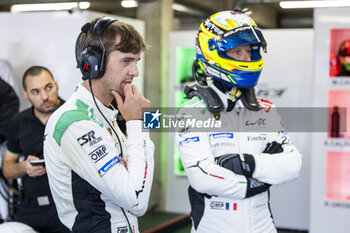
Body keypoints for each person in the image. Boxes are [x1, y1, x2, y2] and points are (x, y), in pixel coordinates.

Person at [176, 10, 302, 233]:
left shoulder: (265, 110)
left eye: (250, 51)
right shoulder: (191, 112)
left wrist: (247, 164)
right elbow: (202, 178)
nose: (247, 58)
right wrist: (261, 178)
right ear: (211, 52)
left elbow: (293, 165)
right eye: (237, 51)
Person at [43, 17, 154, 233]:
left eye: (136, 61)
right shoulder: (75, 122)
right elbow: (138, 200)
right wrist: (137, 124)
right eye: (126, 61)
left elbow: (136, 181)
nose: (135, 72)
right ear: (94, 62)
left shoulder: (105, 112)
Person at [2, 66, 69, 233]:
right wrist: (24, 167)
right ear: (26, 96)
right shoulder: (19, 122)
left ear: (56, 85)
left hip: (69, 206)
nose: (45, 96)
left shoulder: (74, 115)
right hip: (31, 209)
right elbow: (8, 169)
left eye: (48, 87)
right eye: (35, 92)